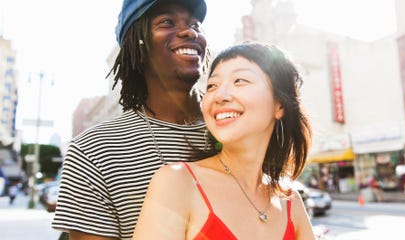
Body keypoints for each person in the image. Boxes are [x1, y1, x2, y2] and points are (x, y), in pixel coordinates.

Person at [52, 0, 209, 239]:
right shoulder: (93, 151)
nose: (190, 31)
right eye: (166, 22)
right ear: (137, 42)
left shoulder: (241, 126)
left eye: (195, 24)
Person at [133, 42, 316, 239]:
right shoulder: (178, 182)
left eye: (240, 81)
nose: (219, 96)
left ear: (279, 105)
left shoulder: (290, 201)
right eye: (212, 85)